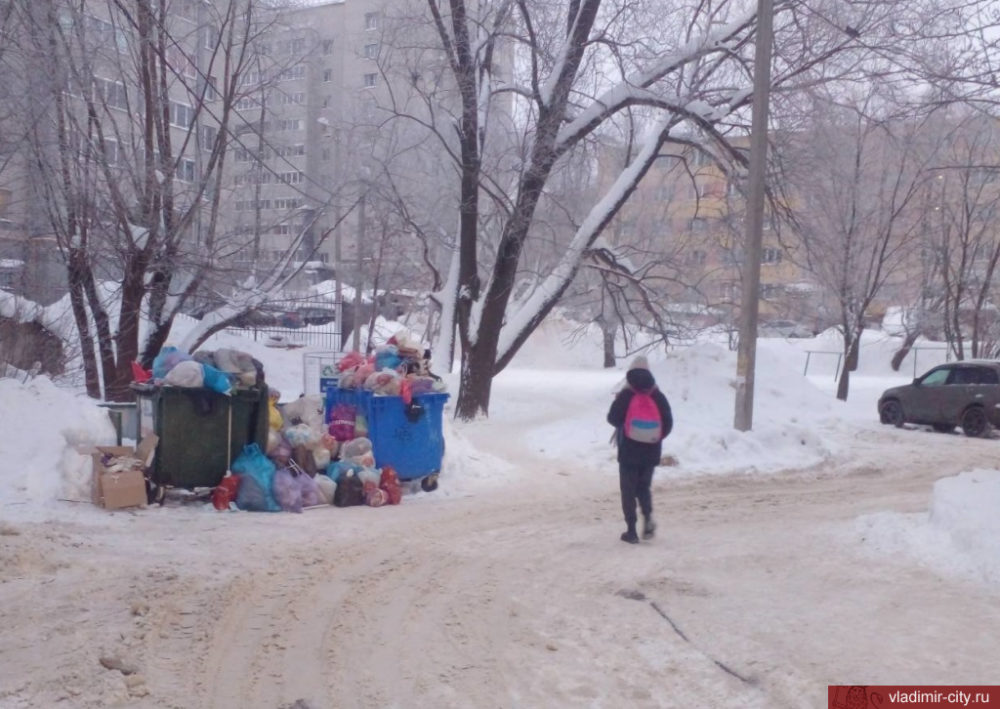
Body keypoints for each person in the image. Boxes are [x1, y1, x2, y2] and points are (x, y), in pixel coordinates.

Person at [606, 355, 673, 544]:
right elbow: (667, 423)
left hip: (628, 450)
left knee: (628, 490)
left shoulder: (626, 394)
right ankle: (648, 519)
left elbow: (612, 418)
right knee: (643, 487)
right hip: (651, 451)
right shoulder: (657, 395)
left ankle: (631, 531)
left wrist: (627, 428)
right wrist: (654, 438)